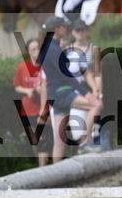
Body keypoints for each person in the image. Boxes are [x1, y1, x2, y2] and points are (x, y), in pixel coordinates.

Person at [38, 16, 103, 162]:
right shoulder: (53, 48)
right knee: (96, 104)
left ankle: (56, 176)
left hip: (54, 95)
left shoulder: (48, 47)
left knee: (59, 141)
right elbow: (66, 75)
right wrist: (86, 93)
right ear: (57, 29)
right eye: (63, 27)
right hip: (62, 92)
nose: (65, 29)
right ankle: (83, 143)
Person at [11, 38, 52, 166]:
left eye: (38, 48)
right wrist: (27, 91)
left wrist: (44, 88)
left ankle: (44, 167)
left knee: (44, 136)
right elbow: (17, 86)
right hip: (28, 108)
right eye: (33, 49)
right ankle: (39, 165)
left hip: (44, 106)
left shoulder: (47, 66)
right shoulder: (22, 67)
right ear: (28, 52)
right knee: (34, 139)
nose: (36, 52)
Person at [70, 19, 107, 149]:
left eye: (82, 30)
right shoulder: (68, 50)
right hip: (75, 88)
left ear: (87, 31)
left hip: (90, 87)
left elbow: (98, 73)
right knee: (77, 122)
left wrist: (98, 92)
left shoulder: (94, 49)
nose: (80, 33)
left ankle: (93, 143)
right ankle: (83, 143)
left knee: (96, 116)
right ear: (73, 32)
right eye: (77, 30)